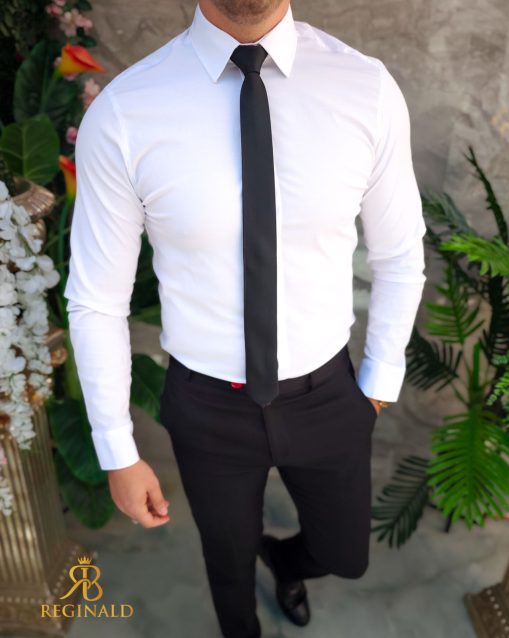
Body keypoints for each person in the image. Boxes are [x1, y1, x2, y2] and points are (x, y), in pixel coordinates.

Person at [64, 0, 427, 636]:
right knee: (227, 568)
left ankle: (285, 560)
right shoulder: (124, 113)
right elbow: (97, 298)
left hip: (328, 394)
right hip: (207, 407)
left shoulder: (365, 88)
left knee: (345, 555)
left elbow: (399, 255)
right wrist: (117, 450)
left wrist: (377, 384)